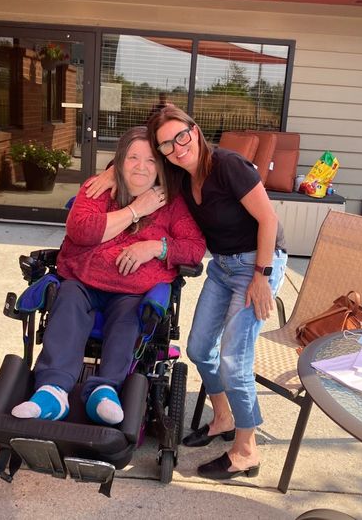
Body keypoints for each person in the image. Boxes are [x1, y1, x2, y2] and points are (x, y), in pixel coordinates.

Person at [86, 107, 287, 480]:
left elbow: (268, 219)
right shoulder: (179, 174)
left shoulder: (228, 166)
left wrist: (262, 275)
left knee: (233, 360)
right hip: (223, 267)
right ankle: (223, 416)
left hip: (257, 263)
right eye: (167, 144)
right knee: (198, 349)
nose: (177, 148)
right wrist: (111, 172)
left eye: (181, 136)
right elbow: (138, 163)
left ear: (195, 131)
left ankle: (246, 450)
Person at [12, 126, 206, 426]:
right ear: (119, 162)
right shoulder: (99, 188)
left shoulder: (172, 203)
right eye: (132, 158)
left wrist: (156, 247)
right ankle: (52, 392)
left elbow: (194, 249)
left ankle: (103, 391)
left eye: (151, 160)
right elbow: (81, 230)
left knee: (131, 316)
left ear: (162, 166)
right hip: (82, 282)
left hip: (131, 292)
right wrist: (135, 210)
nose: (141, 166)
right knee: (67, 301)